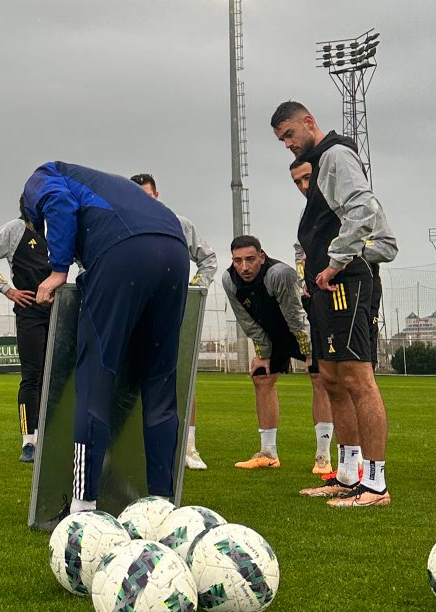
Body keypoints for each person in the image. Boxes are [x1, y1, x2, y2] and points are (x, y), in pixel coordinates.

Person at [23, 162, 189, 512]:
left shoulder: (44, 176)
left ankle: (83, 507)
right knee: (160, 382)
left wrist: (58, 270)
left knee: (96, 376)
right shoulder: (103, 184)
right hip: (175, 248)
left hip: (123, 250)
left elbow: (58, 204)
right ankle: (163, 505)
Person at [271, 101, 397, 506]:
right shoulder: (320, 163)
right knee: (331, 380)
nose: (287, 144)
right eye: (282, 140)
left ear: (309, 122)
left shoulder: (336, 154)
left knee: (358, 380)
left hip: (344, 282)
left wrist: (337, 261)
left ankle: (375, 483)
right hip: (324, 287)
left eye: (289, 134)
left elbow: (363, 209)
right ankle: (346, 474)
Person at [130, 173, 217, 471]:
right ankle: (134, 445)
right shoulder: (123, 223)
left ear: (157, 194)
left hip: (172, 312)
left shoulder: (179, 224)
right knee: (130, 378)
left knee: (179, 377)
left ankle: (189, 448)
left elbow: (208, 259)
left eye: (147, 195)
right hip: (134, 313)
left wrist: (192, 290)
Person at [223, 235, 313, 469]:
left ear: (261, 257)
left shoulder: (279, 274)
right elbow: (246, 321)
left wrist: (309, 351)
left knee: (321, 376)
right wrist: (263, 352)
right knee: (261, 379)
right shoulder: (229, 280)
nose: (244, 267)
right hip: (271, 331)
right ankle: (268, 453)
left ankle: (323, 457)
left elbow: (296, 316)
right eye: (238, 261)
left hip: (302, 327)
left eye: (250, 259)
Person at [0, 197, 51, 464]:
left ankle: (53, 438)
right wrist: (8, 290)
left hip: (61, 313)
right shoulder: (14, 230)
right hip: (29, 313)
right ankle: (29, 442)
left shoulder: (61, 228)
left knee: (57, 377)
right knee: (32, 377)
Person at [290, 160, 336, 475]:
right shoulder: (305, 224)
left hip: (347, 301)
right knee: (319, 377)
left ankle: (360, 461)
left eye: (308, 178)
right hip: (316, 304)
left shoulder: (344, 209)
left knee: (349, 379)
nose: (304, 186)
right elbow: (301, 266)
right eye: (298, 182)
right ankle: (325, 457)